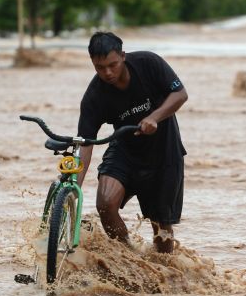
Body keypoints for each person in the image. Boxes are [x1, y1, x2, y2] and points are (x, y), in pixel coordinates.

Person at [76, 32, 188, 253]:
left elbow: (180, 94)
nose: (107, 72)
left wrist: (154, 117)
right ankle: (129, 257)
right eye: (99, 67)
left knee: (162, 228)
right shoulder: (94, 96)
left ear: (123, 56)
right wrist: (74, 189)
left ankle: (162, 271)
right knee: (106, 204)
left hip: (164, 153)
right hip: (125, 151)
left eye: (112, 65)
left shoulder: (148, 63)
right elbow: (86, 143)